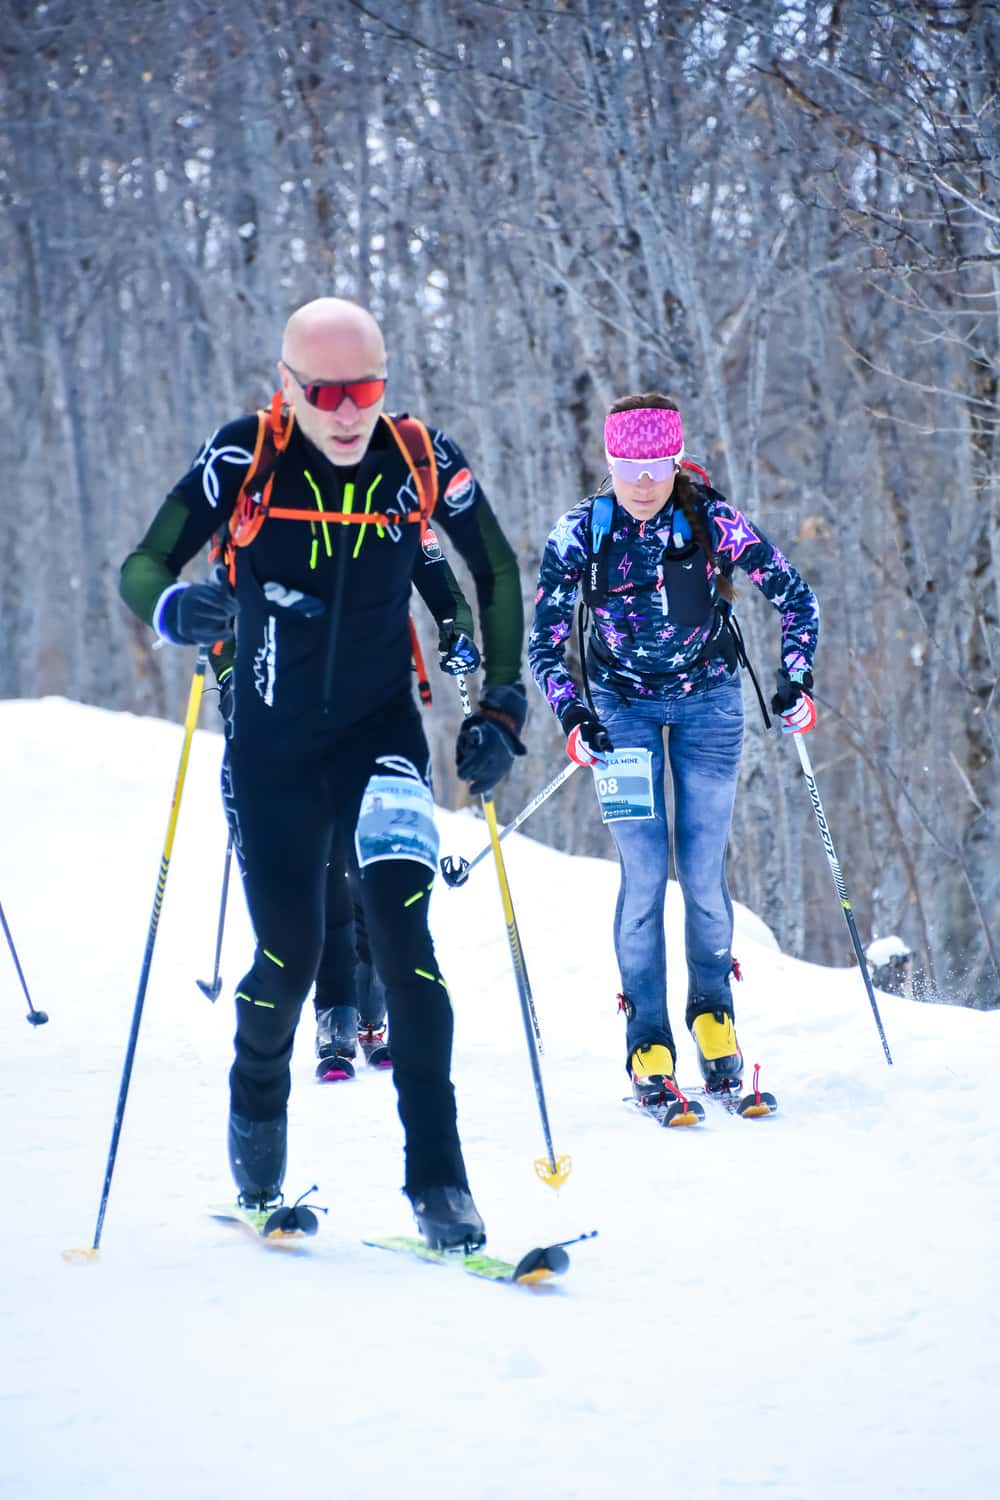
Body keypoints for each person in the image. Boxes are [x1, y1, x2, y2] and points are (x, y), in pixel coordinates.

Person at [120, 297, 526, 1250]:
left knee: (404, 939)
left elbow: (498, 571)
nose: (349, 414)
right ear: (289, 387)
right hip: (270, 747)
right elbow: (143, 564)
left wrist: (503, 705)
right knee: (289, 957)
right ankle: (257, 1134)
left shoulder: (423, 460)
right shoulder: (242, 456)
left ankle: (441, 1183)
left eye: (368, 390)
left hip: (382, 737)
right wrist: (177, 607)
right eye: (327, 393)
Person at [528, 392, 819, 1101]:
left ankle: (714, 1018)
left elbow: (793, 594)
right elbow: (544, 641)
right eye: (629, 465)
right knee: (643, 870)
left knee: (702, 870)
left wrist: (797, 677)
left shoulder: (710, 521)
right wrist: (573, 715)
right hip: (620, 709)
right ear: (610, 461)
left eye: (657, 465)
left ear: (674, 461)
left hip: (710, 704)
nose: (644, 483)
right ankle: (648, 1042)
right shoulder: (581, 533)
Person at [213, 549, 483, 1083]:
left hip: (378, 701)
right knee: (327, 857)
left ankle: (373, 1008)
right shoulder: (271, 498)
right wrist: (228, 677)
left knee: (379, 855)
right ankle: (335, 1011)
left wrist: (457, 631)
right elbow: (221, 607)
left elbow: (436, 578)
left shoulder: (389, 488)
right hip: (287, 702)